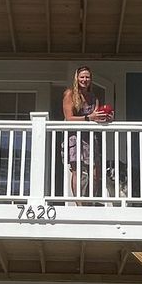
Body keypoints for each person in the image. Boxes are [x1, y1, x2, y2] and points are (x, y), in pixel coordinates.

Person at [62, 65, 110, 195]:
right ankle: (79, 203)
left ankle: (90, 202)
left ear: (91, 79)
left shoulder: (93, 98)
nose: (84, 79)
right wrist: (89, 118)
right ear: (77, 78)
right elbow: (69, 118)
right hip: (76, 138)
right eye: (82, 77)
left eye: (87, 77)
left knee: (95, 172)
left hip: (90, 138)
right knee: (78, 171)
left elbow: (96, 118)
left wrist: (105, 117)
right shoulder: (70, 94)